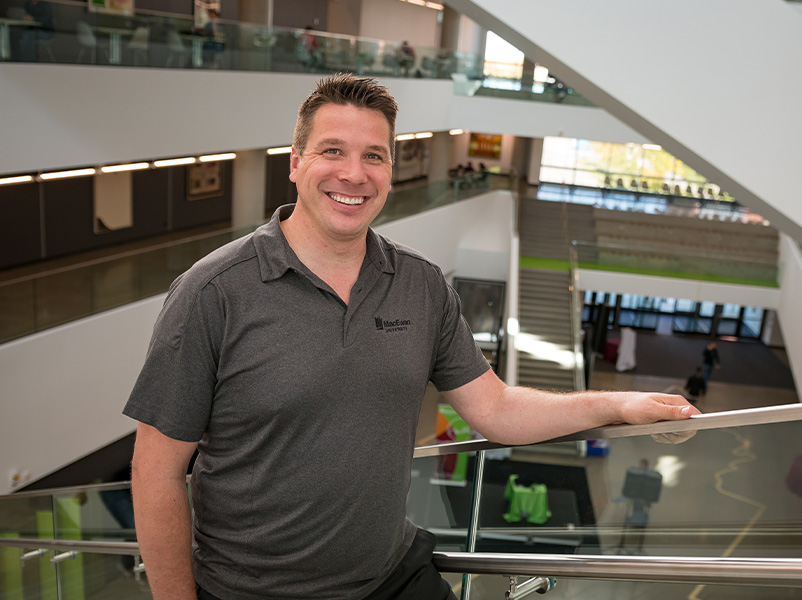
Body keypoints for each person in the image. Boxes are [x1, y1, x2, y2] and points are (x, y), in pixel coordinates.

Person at [126, 73, 699, 600]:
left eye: (373, 156)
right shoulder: (214, 292)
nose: (354, 174)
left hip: (390, 575)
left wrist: (617, 404)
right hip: (256, 591)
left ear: (390, 171)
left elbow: (495, 408)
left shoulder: (420, 285)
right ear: (296, 163)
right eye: (333, 151)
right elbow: (156, 473)